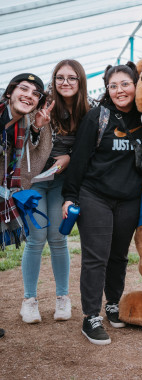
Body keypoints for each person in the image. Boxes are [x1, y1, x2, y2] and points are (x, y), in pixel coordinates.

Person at [62, 62, 142, 345]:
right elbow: (79, 160)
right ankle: (90, 316)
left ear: (136, 86)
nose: (119, 90)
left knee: (119, 255)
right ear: (107, 89)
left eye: (125, 84)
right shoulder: (98, 117)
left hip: (130, 198)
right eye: (113, 86)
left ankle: (113, 303)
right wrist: (70, 196)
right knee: (96, 256)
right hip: (95, 195)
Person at [19, 60, 93, 325]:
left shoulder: (89, 108)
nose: (65, 83)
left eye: (71, 78)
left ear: (80, 80)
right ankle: (29, 300)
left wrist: (69, 159)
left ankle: (63, 297)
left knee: (58, 237)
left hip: (64, 183)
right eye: (60, 78)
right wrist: (38, 125)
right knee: (36, 237)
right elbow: (25, 141)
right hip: (36, 180)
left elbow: (91, 147)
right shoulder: (42, 103)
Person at [1, 72, 47, 338]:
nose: (29, 95)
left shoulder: (22, 125)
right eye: (24, 88)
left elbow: (30, 160)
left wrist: (38, 128)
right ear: (10, 92)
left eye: (35, 93)